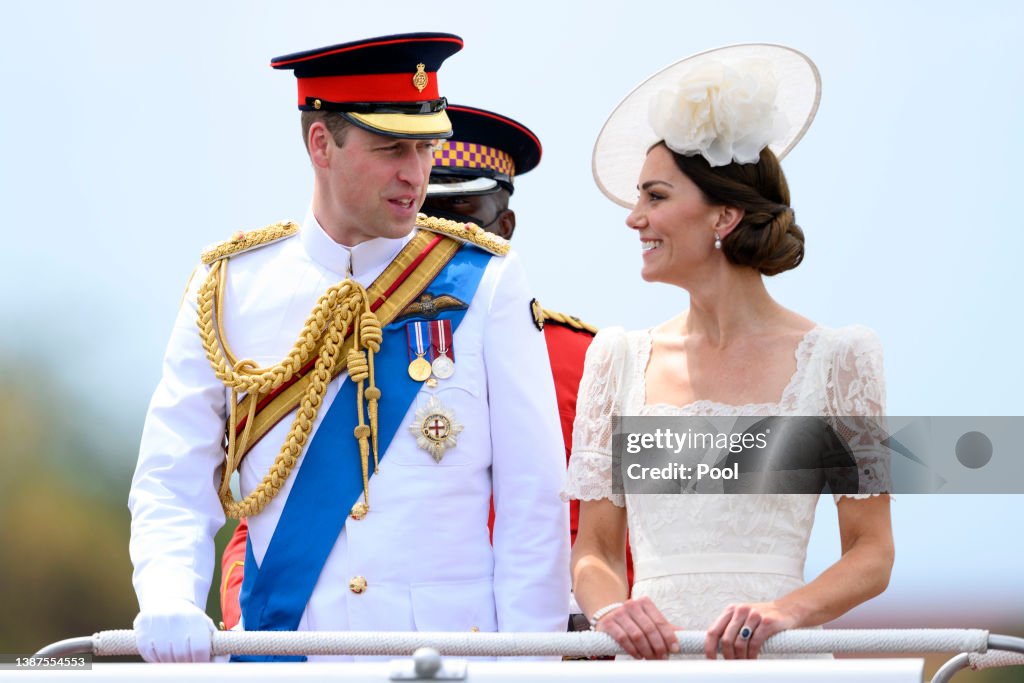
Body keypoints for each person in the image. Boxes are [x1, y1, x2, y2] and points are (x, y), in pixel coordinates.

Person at [128, 33, 569, 663]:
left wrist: (533, 669)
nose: (415, 173)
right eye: (391, 148)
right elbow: (173, 474)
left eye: (425, 147)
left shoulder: (487, 279)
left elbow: (534, 505)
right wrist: (168, 594)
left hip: (444, 661)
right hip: (285, 651)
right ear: (320, 144)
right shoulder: (230, 286)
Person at [216, 104, 616, 634]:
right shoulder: (322, 340)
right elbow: (272, 511)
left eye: (459, 219)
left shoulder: (595, 364)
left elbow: (631, 527)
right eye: (421, 216)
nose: (434, 246)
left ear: (504, 228)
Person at [564, 44, 894, 660]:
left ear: (724, 215)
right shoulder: (617, 358)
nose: (634, 218)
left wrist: (786, 611)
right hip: (650, 668)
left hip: (779, 664)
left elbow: (872, 552)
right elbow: (596, 551)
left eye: (655, 196)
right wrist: (612, 609)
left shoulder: (838, 359)